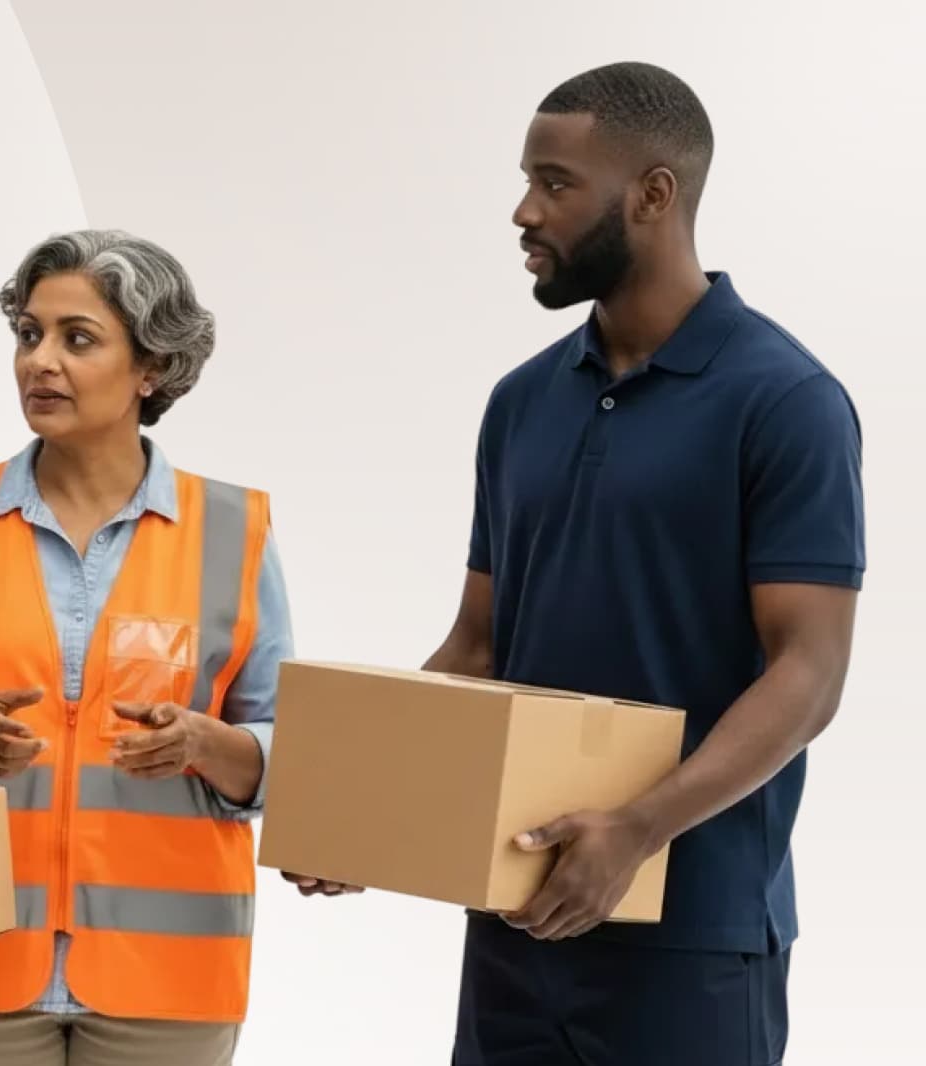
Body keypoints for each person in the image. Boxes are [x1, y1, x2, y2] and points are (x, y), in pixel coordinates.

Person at [363, 62, 859, 1065]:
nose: (522, 210)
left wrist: (636, 827)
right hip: (516, 913)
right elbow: (476, 643)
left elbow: (806, 676)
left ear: (653, 194)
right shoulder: (519, 402)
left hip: (693, 933)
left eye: (554, 182)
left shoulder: (785, 400)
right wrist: (369, 809)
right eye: (525, 180)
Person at [0, 229, 293, 1066]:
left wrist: (205, 744)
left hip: (167, 984)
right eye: (28, 333)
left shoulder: (232, 531)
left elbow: (287, 749)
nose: (39, 361)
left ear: (152, 367)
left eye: (76, 338)